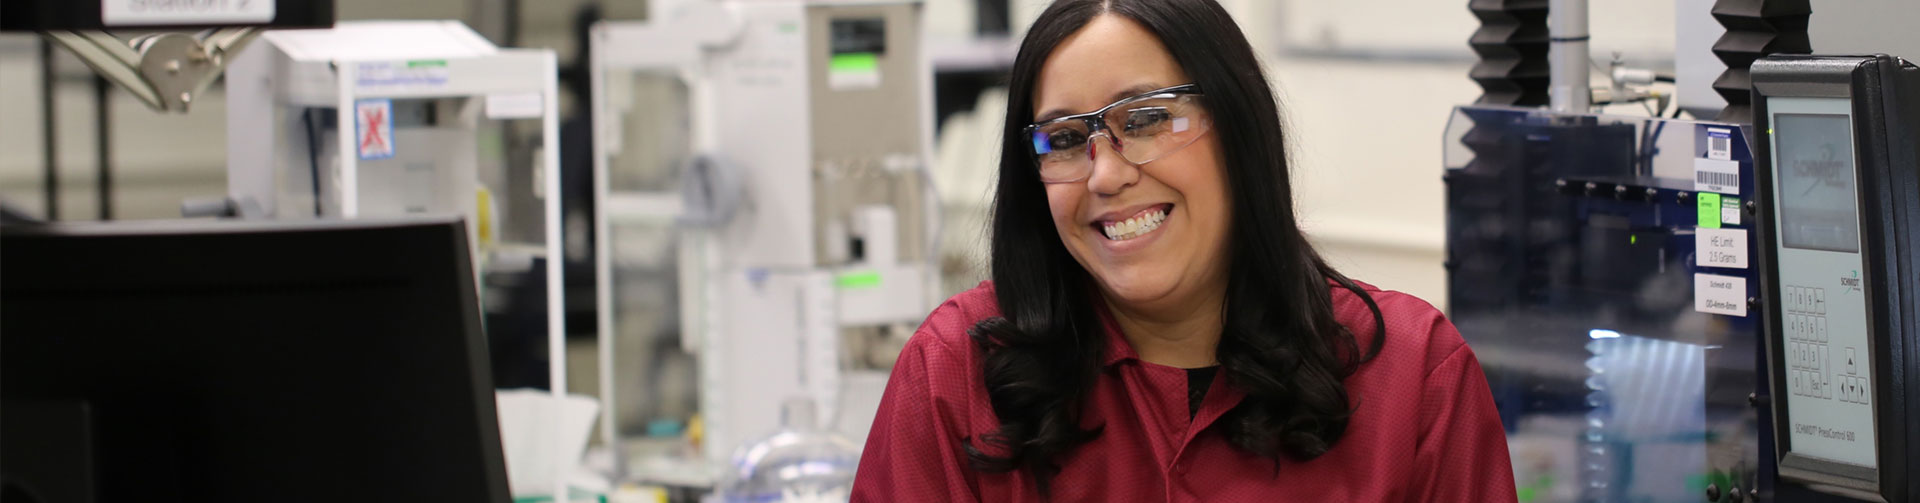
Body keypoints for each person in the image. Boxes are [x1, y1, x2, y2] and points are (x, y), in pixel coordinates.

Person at [850, 0, 1515, 501]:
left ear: (1238, 127)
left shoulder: (1413, 373)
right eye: (1065, 138)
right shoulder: (955, 376)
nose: (1105, 175)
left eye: (1145, 118)